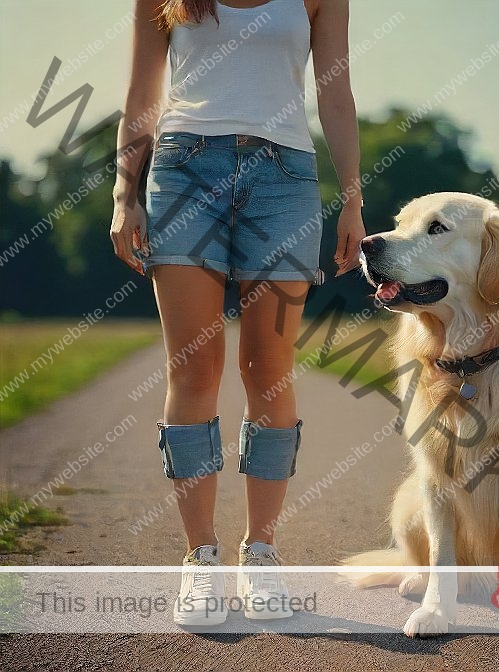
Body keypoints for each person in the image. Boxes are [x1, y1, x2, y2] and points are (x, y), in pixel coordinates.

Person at [109, 0, 365, 625]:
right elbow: (143, 93)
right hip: (182, 171)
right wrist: (125, 191)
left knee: (267, 368)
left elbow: (336, 94)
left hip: (284, 178)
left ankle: (262, 555)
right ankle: (201, 563)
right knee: (195, 368)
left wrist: (354, 200)